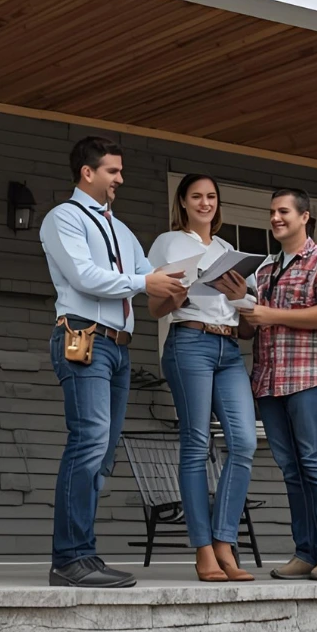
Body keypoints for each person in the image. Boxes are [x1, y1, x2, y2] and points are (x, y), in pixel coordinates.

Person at [38, 136, 186, 588]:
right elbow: (86, 277)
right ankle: (68, 560)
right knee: (87, 443)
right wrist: (146, 282)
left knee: (101, 455)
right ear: (88, 173)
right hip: (83, 338)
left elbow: (149, 277)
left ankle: (85, 552)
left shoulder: (121, 230)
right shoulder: (62, 218)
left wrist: (189, 283)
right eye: (113, 171)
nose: (120, 178)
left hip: (118, 347)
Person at [228, 188, 317, 582]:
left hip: (310, 377)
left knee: (315, 464)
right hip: (269, 382)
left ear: (304, 216)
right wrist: (241, 305)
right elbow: (250, 330)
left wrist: (270, 313)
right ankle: (305, 552)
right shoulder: (263, 271)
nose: (276, 218)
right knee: (291, 471)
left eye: (283, 211)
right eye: (272, 212)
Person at [147, 173, 257, 582]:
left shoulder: (228, 249)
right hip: (189, 342)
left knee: (244, 442)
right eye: (197, 196)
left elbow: (244, 312)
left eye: (211, 196)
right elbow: (156, 307)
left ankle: (225, 541)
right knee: (196, 444)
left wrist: (240, 293)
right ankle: (204, 550)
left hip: (229, 348)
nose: (205, 203)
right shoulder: (168, 242)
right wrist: (179, 290)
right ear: (183, 201)